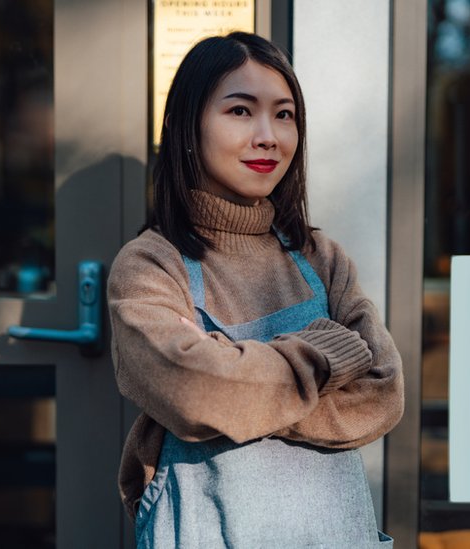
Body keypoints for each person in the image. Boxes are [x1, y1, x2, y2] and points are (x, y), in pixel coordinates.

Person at [107, 31, 404, 548]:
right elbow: (192, 390)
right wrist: (326, 355)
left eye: (284, 114)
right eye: (241, 111)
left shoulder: (321, 257)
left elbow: (381, 394)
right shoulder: (150, 265)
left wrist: (233, 375)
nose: (268, 135)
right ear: (186, 126)